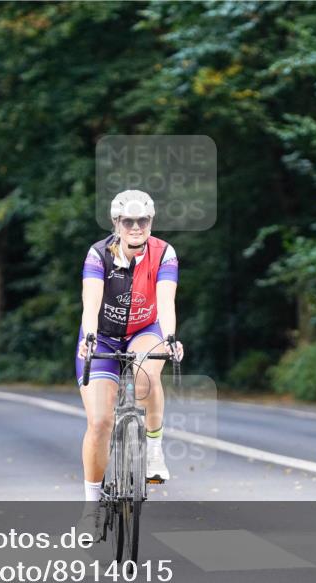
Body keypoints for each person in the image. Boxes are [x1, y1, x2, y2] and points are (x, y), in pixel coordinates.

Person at [76, 190, 183, 531]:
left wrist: (169, 338)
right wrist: (90, 337)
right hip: (103, 335)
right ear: (116, 223)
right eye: (128, 221)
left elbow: (166, 301)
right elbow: (90, 301)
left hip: (144, 330)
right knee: (99, 423)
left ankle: (153, 449)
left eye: (144, 221)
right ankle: (91, 506)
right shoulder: (98, 254)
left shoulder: (164, 253)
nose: (136, 227)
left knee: (146, 375)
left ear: (151, 221)